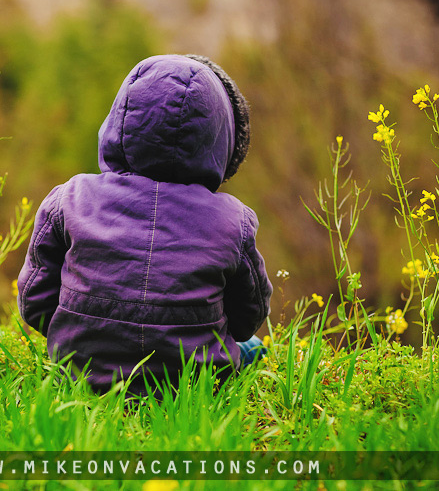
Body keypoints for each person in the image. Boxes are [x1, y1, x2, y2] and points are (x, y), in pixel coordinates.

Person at [16, 54, 273, 395]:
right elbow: (248, 317)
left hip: (81, 374)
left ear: (119, 120)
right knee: (253, 346)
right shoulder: (234, 220)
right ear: (219, 139)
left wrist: (78, 332)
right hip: (193, 384)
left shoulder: (69, 199)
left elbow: (34, 300)